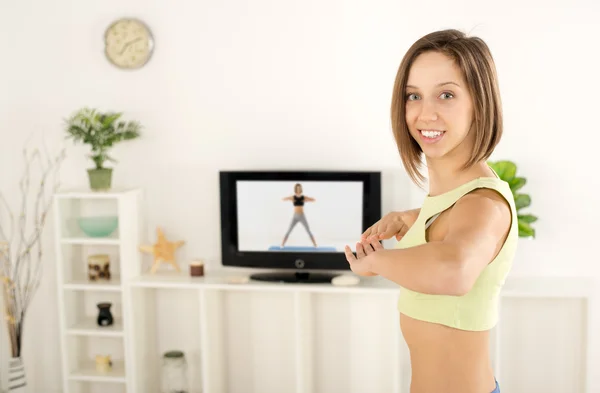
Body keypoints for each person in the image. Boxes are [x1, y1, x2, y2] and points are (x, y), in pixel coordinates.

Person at [344, 29, 517, 393]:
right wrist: (411, 218)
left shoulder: (485, 204)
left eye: (447, 94)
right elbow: (448, 225)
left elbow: (454, 271)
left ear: (480, 104)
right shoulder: (448, 201)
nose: (425, 113)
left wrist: (375, 261)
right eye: (413, 96)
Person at [281, 183, 318, 247]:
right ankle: (282, 245)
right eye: (297, 188)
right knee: (289, 230)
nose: (298, 189)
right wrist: (287, 199)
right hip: (295, 216)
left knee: (308, 230)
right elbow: (284, 198)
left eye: (299, 188)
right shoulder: (293, 197)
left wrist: (307, 200)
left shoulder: (303, 197)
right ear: (295, 189)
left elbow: (313, 199)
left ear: (301, 189)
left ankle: (315, 245)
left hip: (302, 216)